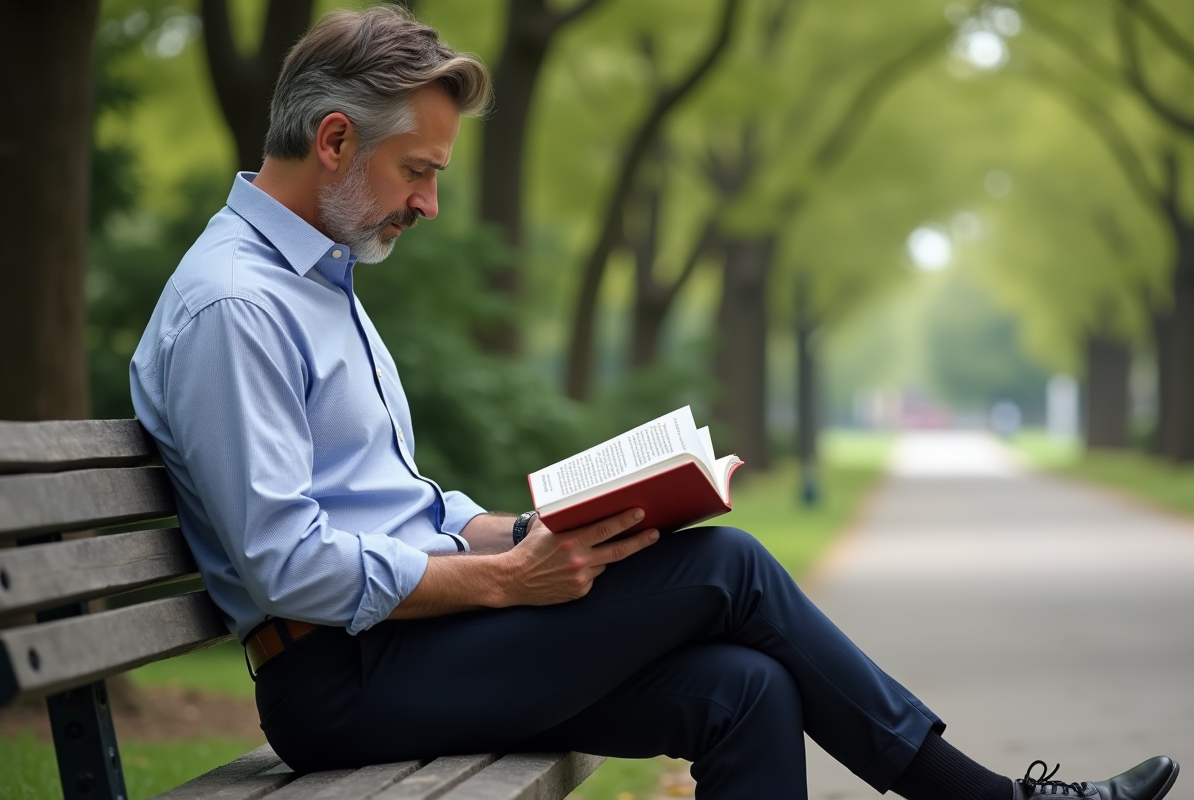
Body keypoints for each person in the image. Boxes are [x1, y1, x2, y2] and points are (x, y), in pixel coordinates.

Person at [130, 7, 1178, 800]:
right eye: (419, 170)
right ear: (331, 142)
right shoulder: (238, 306)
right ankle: (987, 797)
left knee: (746, 689)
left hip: (401, 645)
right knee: (729, 564)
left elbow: (391, 502)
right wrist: (503, 580)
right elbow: (285, 562)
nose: (429, 203)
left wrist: (529, 528)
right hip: (342, 680)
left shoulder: (316, 285)